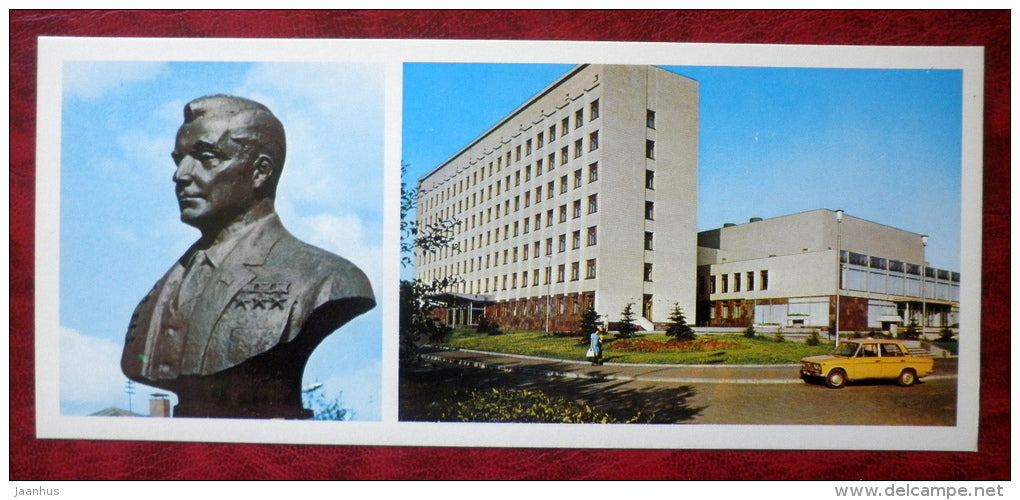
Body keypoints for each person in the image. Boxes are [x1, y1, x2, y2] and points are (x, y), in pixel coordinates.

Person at [120, 95, 375, 419]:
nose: (181, 175)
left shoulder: (328, 278)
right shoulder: (165, 286)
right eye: (179, 160)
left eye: (205, 157)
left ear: (260, 172)